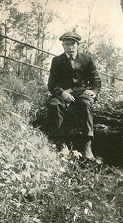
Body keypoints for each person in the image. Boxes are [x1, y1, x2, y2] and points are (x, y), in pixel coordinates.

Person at [47, 31, 101, 160]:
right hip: (64, 92)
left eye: (73, 44)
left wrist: (93, 91)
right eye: (67, 44)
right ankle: (62, 144)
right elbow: (52, 83)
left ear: (77, 45)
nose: (70, 47)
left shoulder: (87, 59)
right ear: (63, 46)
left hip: (82, 92)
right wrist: (62, 93)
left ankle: (87, 145)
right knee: (54, 105)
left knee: (86, 103)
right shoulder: (57, 61)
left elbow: (96, 80)